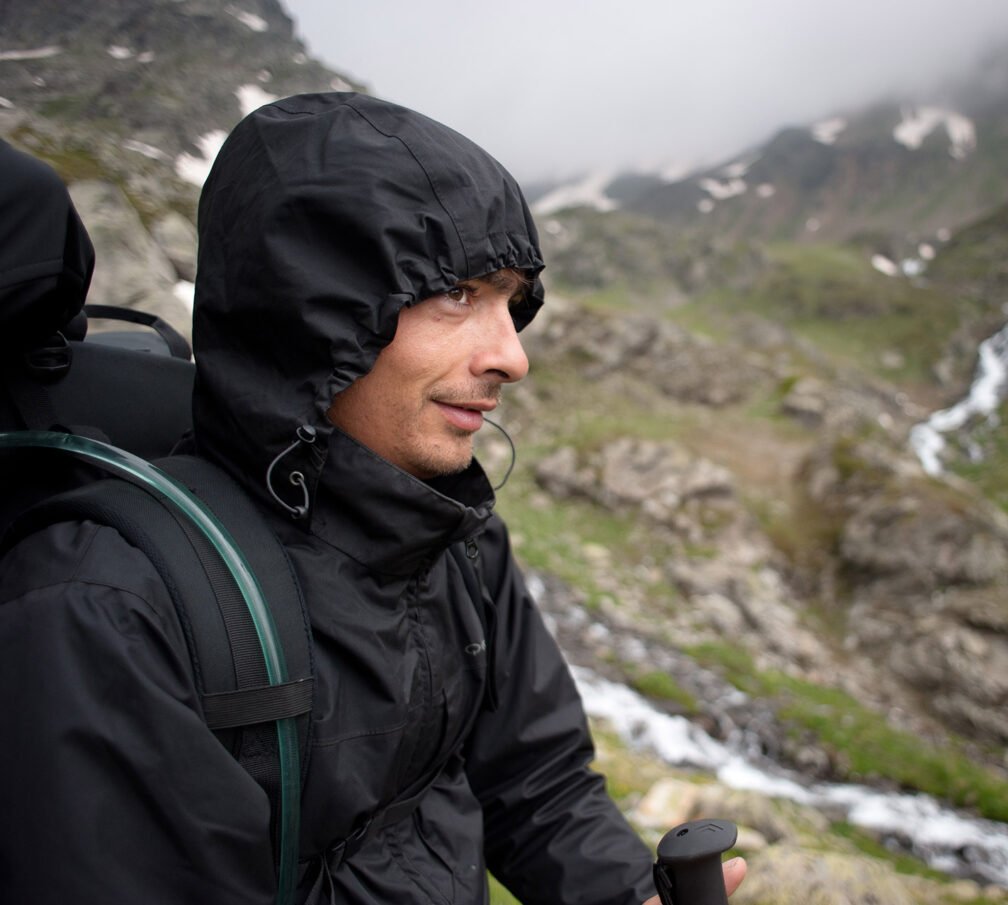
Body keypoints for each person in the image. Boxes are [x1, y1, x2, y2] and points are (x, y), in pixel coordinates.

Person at [0, 94, 744, 904]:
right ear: (314, 315)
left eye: (511, 300)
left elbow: (540, 785)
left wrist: (627, 895)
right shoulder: (103, 610)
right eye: (458, 293)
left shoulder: (451, 532)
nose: (512, 356)